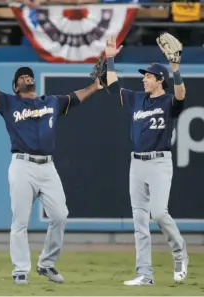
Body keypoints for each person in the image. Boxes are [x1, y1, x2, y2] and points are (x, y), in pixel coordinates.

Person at [0, 32, 102, 284]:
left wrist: (96, 86)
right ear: (16, 86)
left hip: (48, 167)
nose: (27, 77)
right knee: (20, 220)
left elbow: (76, 97)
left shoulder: (52, 102)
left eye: (29, 75)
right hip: (22, 166)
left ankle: (46, 264)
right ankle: (20, 269)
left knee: (60, 215)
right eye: (22, 76)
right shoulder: (7, 102)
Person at [104, 35, 189, 286]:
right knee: (139, 220)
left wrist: (176, 70)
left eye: (148, 76)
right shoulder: (136, 99)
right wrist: (109, 57)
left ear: (159, 79)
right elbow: (113, 85)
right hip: (137, 164)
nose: (144, 78)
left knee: (159, 213)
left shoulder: (167, 101)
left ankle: (180, 252)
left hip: (159, 162)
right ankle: (145, 274)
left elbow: (181, 95)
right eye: (144, 76)